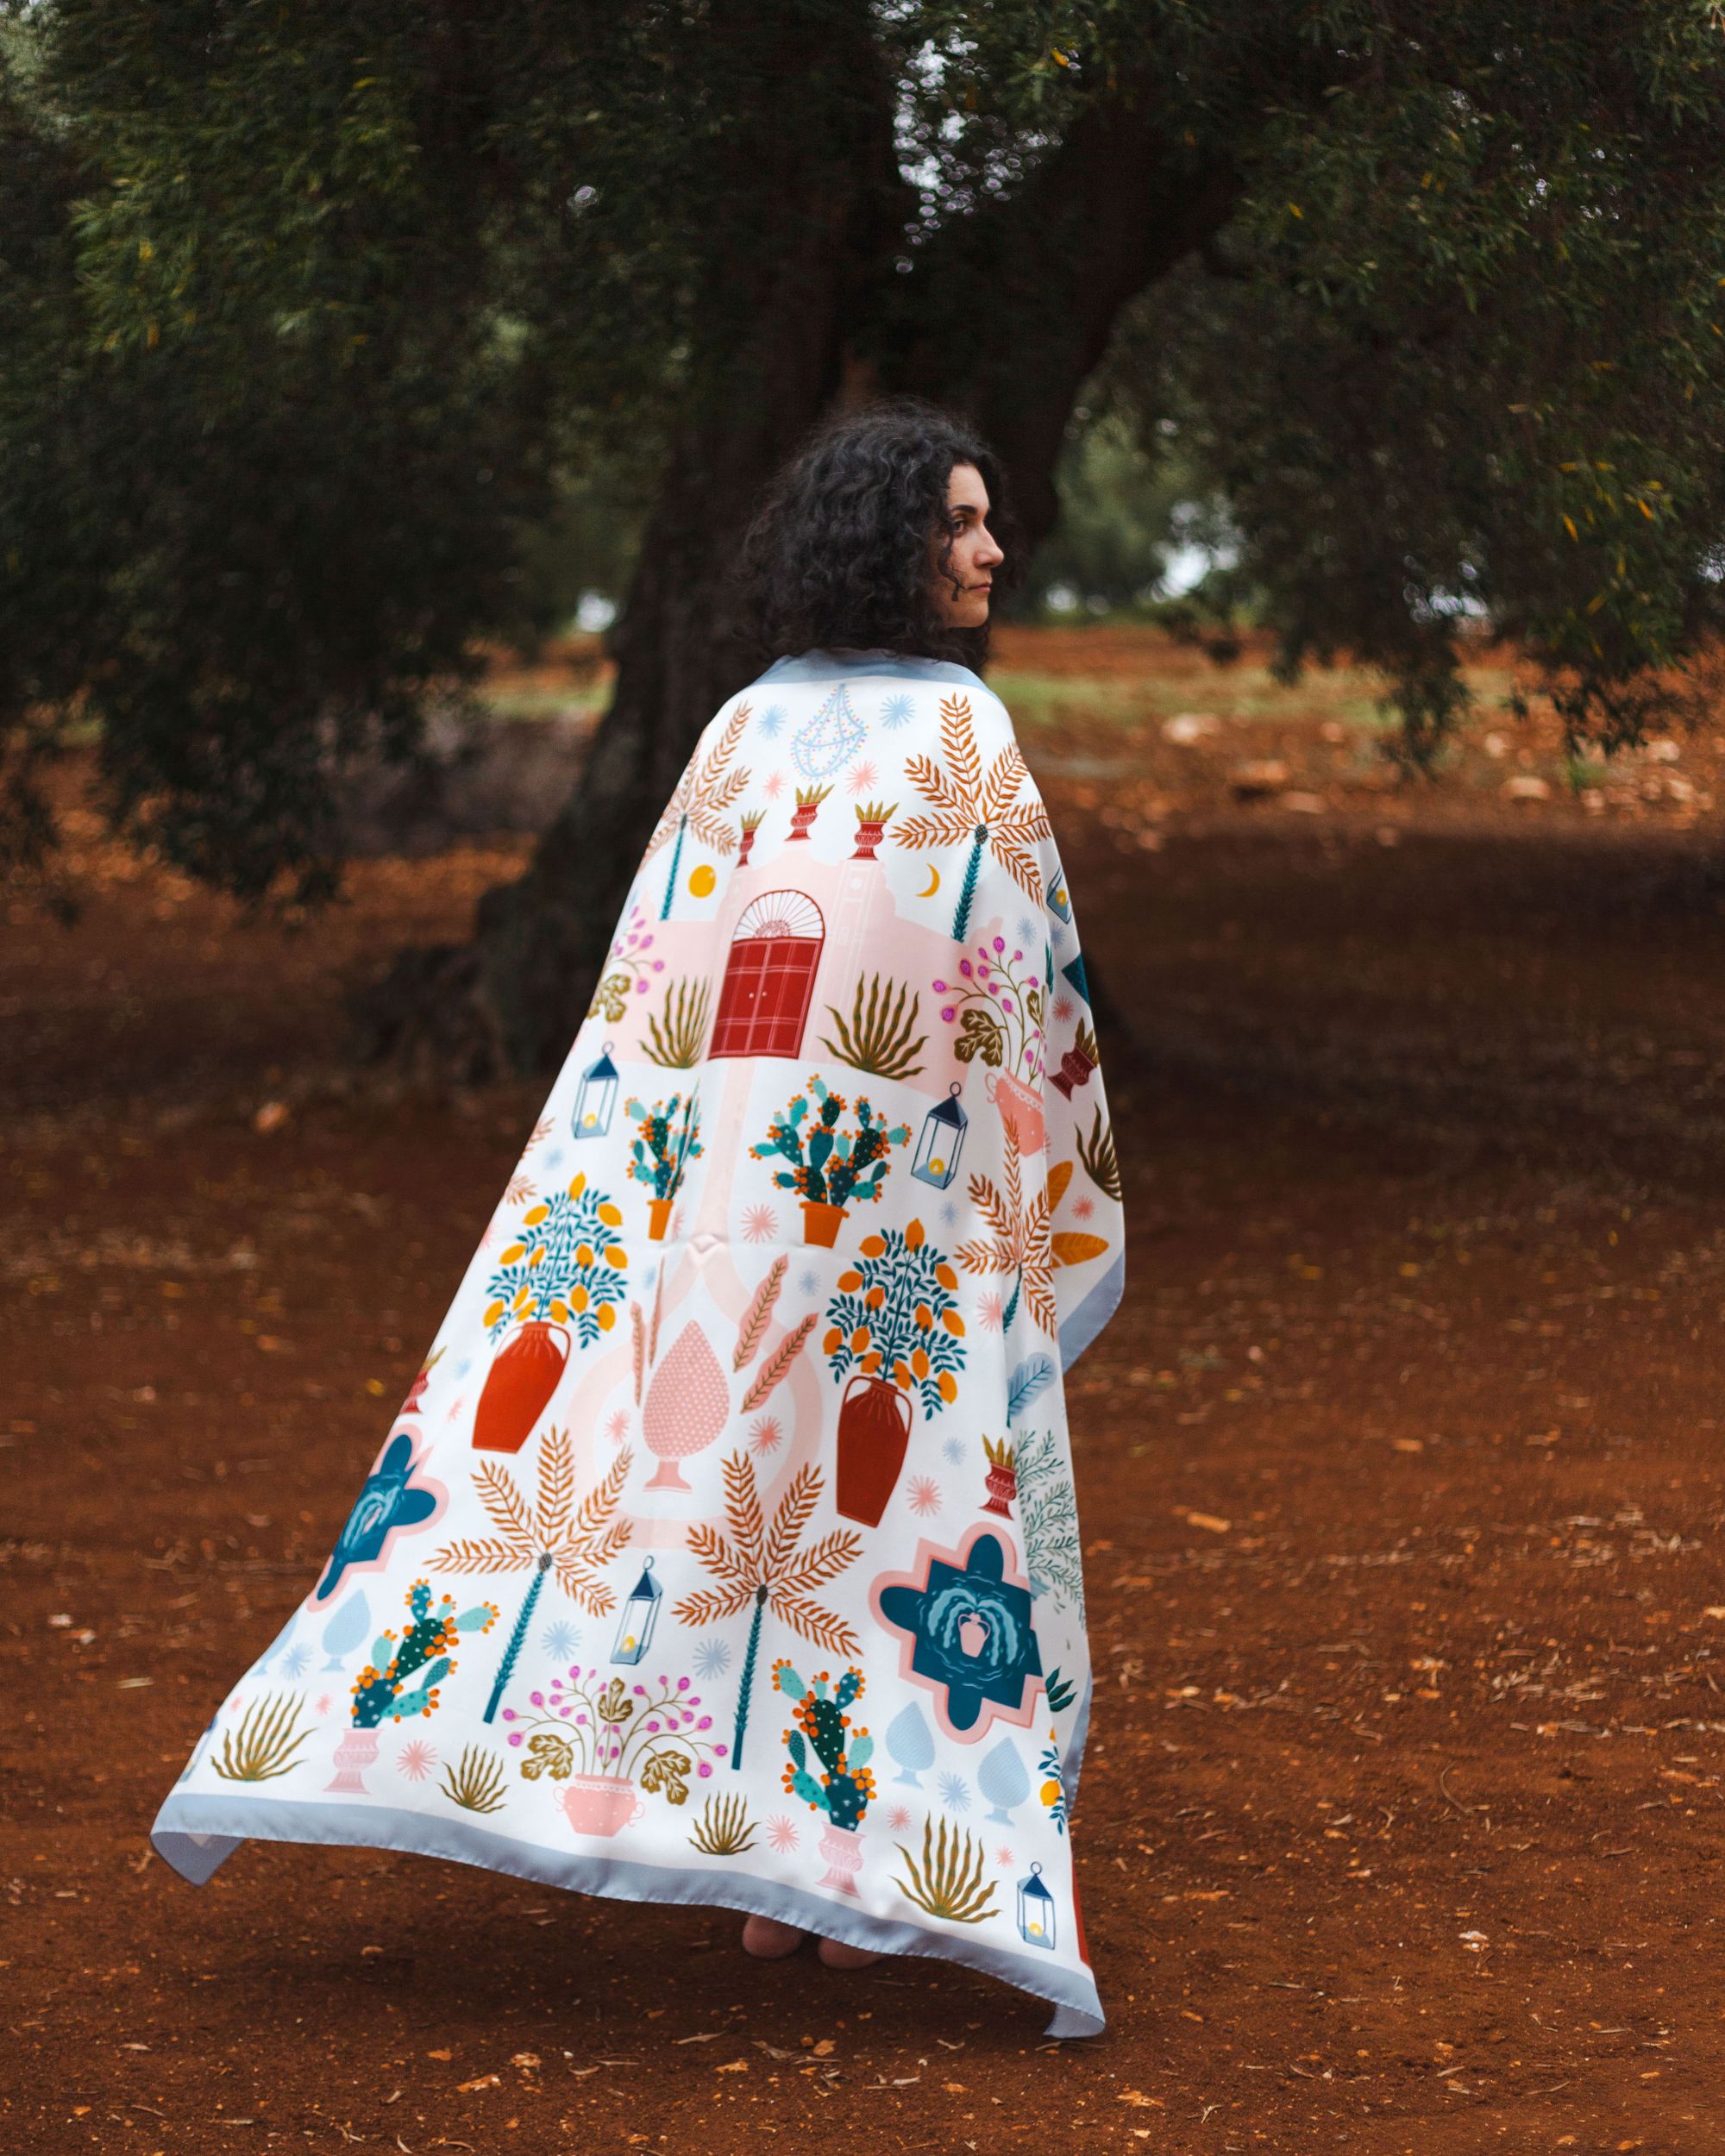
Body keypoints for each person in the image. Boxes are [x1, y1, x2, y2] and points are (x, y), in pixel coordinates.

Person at [152, 397, 1126, 2040]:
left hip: (733, 1215)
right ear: (893, 543)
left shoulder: (741, 733)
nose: (991, 550)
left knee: (744, 1516)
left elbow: (661, 996)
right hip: (886, 1228)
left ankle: (791, 1874)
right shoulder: (956, 738)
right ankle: (830, 1870)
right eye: (961, 523)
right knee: (859, 1530)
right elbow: (1010, 991)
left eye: (987, 521)